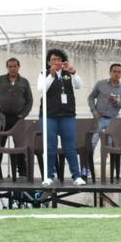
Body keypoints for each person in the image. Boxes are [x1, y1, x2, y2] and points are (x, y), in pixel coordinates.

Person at [38, 49, 86, 186]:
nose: (56, 62)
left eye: (59, 59)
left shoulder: (68, 74)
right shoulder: (44, 74)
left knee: (70, 146)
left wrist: (74, 72)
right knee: (50, 146)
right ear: (48, 62)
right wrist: (51, 76)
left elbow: (79, 85)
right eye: (53, 59)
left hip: (67, 115)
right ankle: (49, 176)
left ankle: (76, 176)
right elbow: (41, 89)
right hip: (49, 116)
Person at [0, 58, 33, 177]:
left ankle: (22, 172)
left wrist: (22, 115)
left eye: (14, 66)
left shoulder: (24, 82)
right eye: (10, 66)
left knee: (20, 145)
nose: (12, 68)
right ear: (7, 67)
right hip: (1, 118)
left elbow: (29, 101)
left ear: (19, 67)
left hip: (18, 119)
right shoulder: (0, 80)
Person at [87, 64, 121, 177]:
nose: (116, 74)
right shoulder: (101, 84)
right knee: (92, 143)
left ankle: (113, 173)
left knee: (111, 146)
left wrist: (116, 102)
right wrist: (93, 111)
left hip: (113, 121)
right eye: (114, 71)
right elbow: (90, 97)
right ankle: (87, 170)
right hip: (99, 119)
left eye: (119, 72)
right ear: (110, 72)